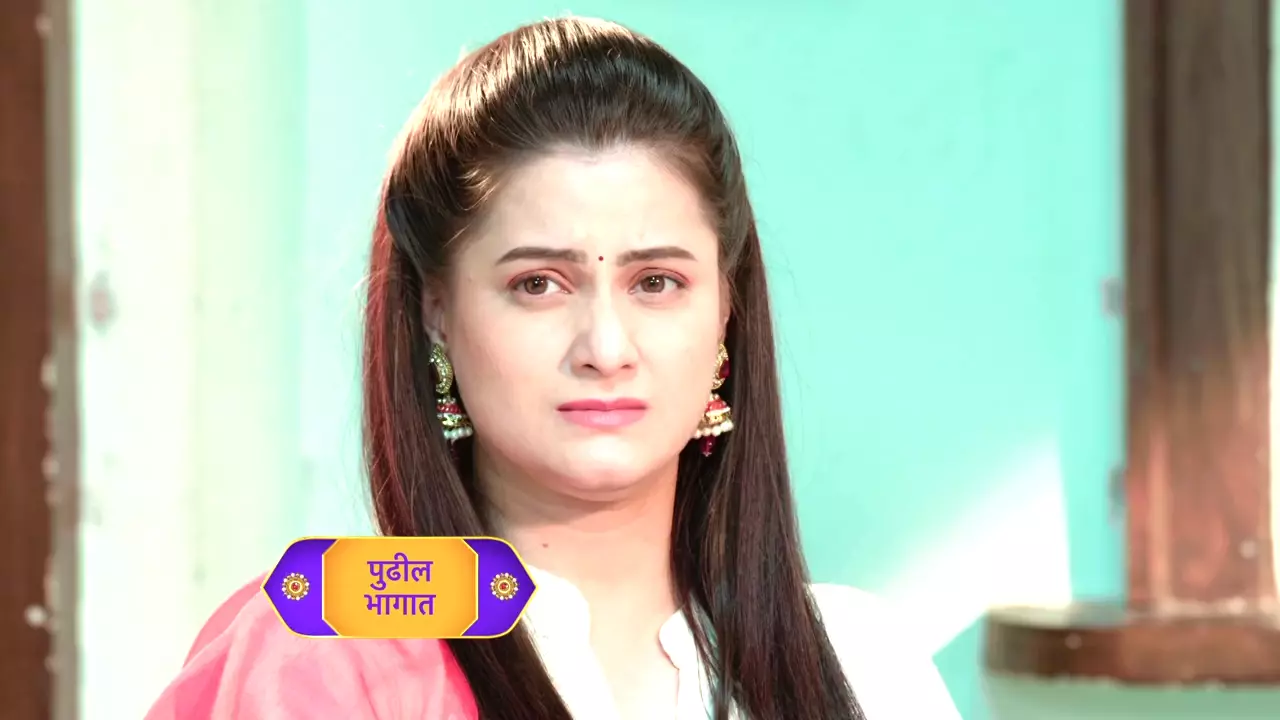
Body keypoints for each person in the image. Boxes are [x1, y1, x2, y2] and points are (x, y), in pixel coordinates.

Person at [145, 16, 959, 720]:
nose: (605, 347)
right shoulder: (335, 625)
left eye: (656, 283)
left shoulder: (860, 664)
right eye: (538, 284)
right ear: (436, 312)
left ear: (726, 312)